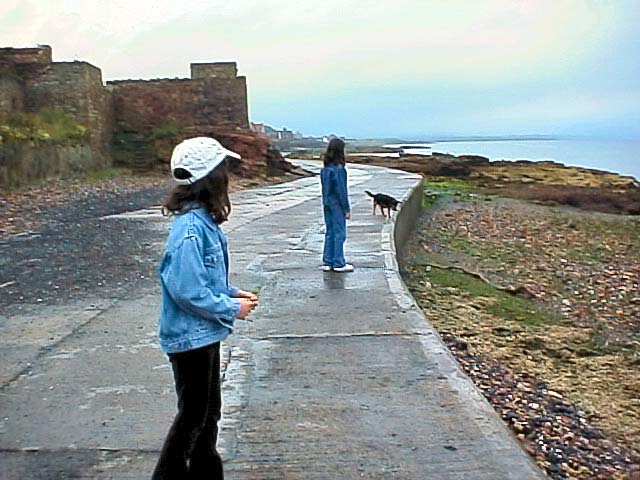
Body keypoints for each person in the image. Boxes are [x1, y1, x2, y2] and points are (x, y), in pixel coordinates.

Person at [152, 137, 258, 480]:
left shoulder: (200, 221)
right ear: (211, 178)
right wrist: (230, 307)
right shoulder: (190, 229)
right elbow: (187, 290)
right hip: (189, 338)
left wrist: (231, 292)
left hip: (201, 334)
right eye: (223, 170)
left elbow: (202, 279)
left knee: (207, 413)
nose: (228, 177)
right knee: (194, 416)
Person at [320, 138, 353, 272]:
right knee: (340, 233)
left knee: (330, 232)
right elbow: (341, 191)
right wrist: (346, 208)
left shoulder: (326, 169)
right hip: (337, 204)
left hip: (327, 203)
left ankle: (328, 261)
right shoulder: (339, 169)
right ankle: (338, 262)